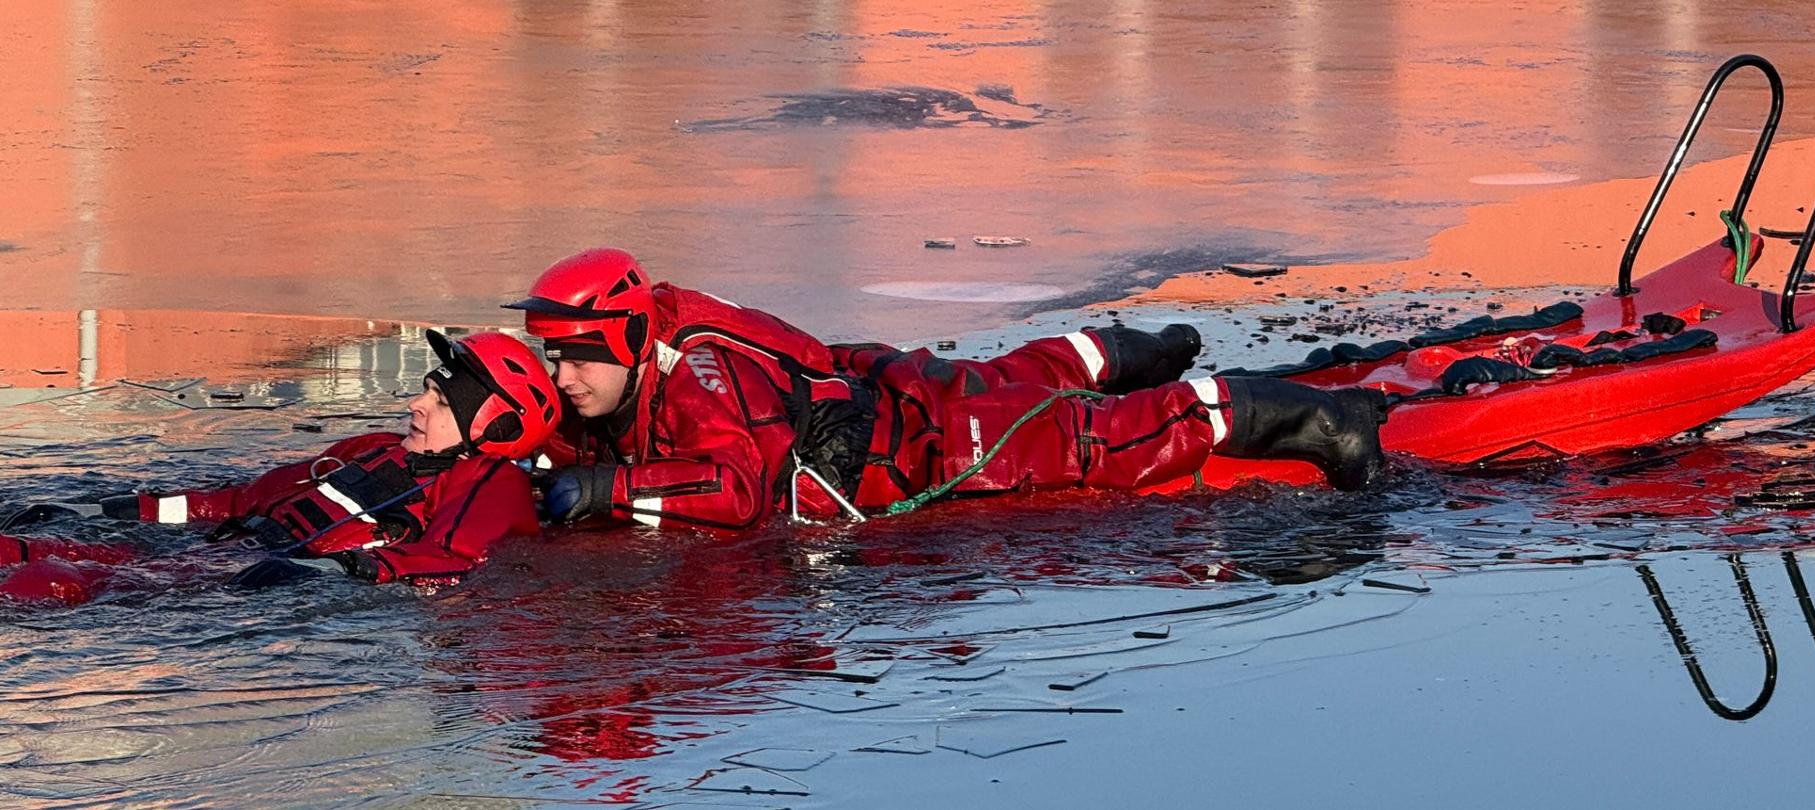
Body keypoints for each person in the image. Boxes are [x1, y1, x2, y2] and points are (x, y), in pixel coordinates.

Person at [506, 248, 1387, 532]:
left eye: (577, 356)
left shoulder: (695, 371)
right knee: (1004, 381)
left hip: (905, 448)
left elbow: (735, 490)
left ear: (626, 333)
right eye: (550, 358)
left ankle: (1328, 419)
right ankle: (1133, 349)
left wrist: (602, 490)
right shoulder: (662, 333)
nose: (562, 375)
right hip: (871, 387)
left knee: (1091, 443)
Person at [0, 330, 562, 602]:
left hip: (251, 577)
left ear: (495, 429)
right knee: (24, 548)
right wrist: (99, 508)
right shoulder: (374, 447)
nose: (416, 404)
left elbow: (447, 558)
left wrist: (322, 572)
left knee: (49, 581)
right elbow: (241, 501)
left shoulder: (494, 483)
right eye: (425, 392)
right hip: (223, 552)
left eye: (440, 403)